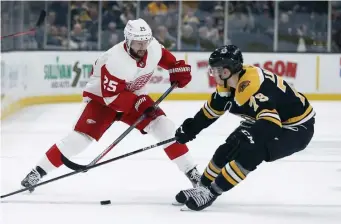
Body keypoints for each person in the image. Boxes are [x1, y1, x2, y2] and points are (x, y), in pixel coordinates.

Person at [21, 18, 201, 192]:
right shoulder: (115, 60)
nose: (143, 47)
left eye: (145, 42)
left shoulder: (152, 47)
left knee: (164, 127)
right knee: (78, 139)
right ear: (128, 40)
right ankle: (36, 172)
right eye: (138, 43)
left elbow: (170, 62)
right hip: (102, 101)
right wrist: (138, 103)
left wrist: (178, 70)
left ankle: (193, 174)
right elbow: (112, 98)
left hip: (133, 98)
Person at [173, 45, 316, 211]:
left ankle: (212, 192)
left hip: (297, 127)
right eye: (213, 70)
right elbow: (210, 112)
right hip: (267, 119)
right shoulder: (229, 84)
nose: (215, 75)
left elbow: (272, 123)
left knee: (252, 152)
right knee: (227, 148)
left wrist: (250, 135)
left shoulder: (252, 85)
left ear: (230, 70)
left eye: (219, 70)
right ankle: (202, 187)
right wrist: (190, 129)